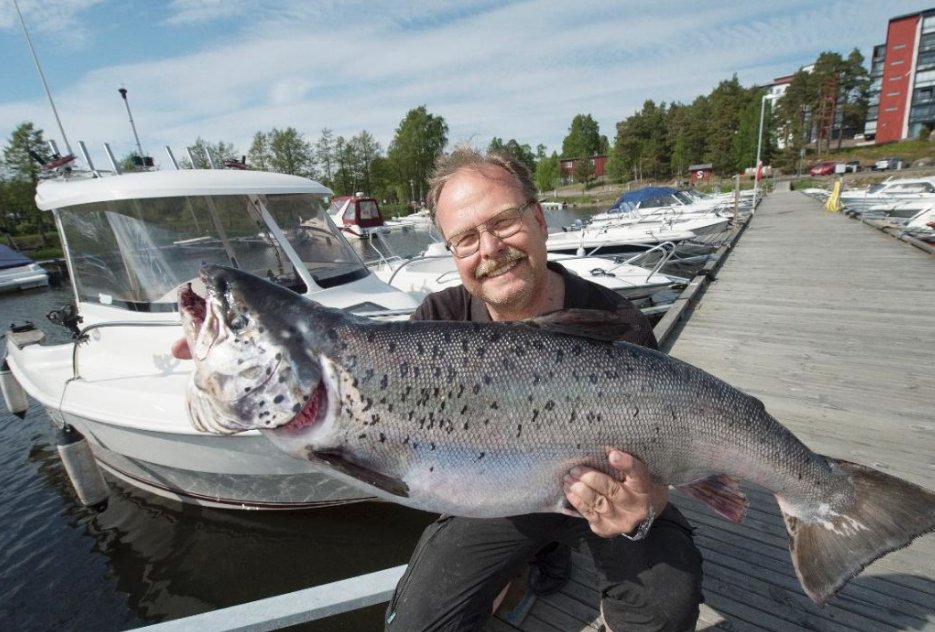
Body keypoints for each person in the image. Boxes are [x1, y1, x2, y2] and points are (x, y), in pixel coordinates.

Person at [384, 146, 703, 632]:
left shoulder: (617, 323)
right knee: (417, 624)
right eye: (466, 239)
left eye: (504, 222)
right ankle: (538, 555)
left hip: (606, 495)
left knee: (664, 611)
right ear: (452, 252)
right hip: (500, 501)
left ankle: (553, 550)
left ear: (538, 219)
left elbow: (656, 466)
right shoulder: (436, 324)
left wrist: (645, 507)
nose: (489, 249)